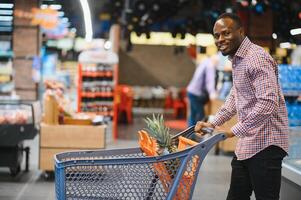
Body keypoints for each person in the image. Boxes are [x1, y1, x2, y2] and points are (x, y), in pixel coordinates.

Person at [195, 13, 289, 200]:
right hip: (249, 143)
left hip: (267, 143)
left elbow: (267, 102)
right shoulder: (238, 60)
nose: (220, 39)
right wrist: (213, 123)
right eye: (217, 35)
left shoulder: (256, 58)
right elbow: (235, 97)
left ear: (241, 31)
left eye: (226, 33)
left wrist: (234, 130)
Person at [187, 55, 218, 126]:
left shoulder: (205, 62)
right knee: (200, 115)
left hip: (191, 91)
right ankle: (194, 134)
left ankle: (190, 134)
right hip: (195, 93)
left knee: (193, 115)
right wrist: (212, 93)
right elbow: (209, 80)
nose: (217, 65)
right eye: (217, 63)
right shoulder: (210, 65)